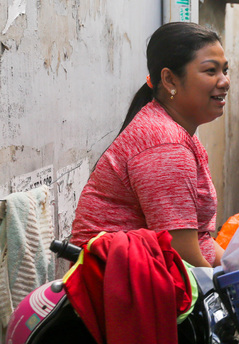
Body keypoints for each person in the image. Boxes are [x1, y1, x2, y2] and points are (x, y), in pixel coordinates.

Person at [71, 22, 228, 268]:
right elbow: (182, 257)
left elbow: (199, 239)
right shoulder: (164, 144)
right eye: (211, 71)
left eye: (225, 70)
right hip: (122, 290)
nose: (224, 82)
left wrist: (235, 269)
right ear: (169, 79)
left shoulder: (177, 132)